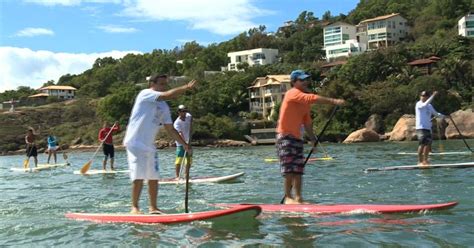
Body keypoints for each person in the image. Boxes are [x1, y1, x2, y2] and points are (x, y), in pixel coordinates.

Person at [123, 74, 197, 214]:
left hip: (150, 145)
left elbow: (170, 129)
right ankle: (135, 208)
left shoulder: (164, 107)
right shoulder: (146, 94)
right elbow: (166, 95)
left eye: (165, 84)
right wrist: (186, 88)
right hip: (135, 142)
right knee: (139, 176)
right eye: (161, 84)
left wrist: (184, 145)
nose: (163, 87)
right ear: (152, 84)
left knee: (153, 177)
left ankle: (153, 208)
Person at [276, 70, 345, 204]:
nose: (305, 82)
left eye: (306, 79)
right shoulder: (292, 93)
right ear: (294, 82)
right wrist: (334, 101)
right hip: (285, 136)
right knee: (289, 168)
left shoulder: (304, 104)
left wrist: (313, 140)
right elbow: (311, 98)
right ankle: (288, 198)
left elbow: (307, 123)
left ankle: (298, 198)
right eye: (302, 80)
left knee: (298, 169)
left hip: (297, 138)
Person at [415, 91, 444, 166]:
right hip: (421, 128)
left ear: (427, 97)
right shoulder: (419, 104)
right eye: (422, 96)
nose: (423, 97)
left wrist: (443, 116)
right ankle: (419, 161)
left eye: (425, 96)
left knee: (428, 144)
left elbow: (436, 114)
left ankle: (425, 161)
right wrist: (433, 96)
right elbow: (424, 105)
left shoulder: (430, 106)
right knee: (422, 144)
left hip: (428, 128)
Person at [174, 105, 193, 179]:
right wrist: (184, 144)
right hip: (180, 142)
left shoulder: (188, 116)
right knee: (179, 159)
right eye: (182, 111)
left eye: (185, 111)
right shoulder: (177, 123)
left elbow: (191, 119)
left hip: (189, 141)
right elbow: (180, 134)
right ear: (179, 112)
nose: (184, 112)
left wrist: (188, 143)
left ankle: (186, 175)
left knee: (189, 159)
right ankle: (177, 176)